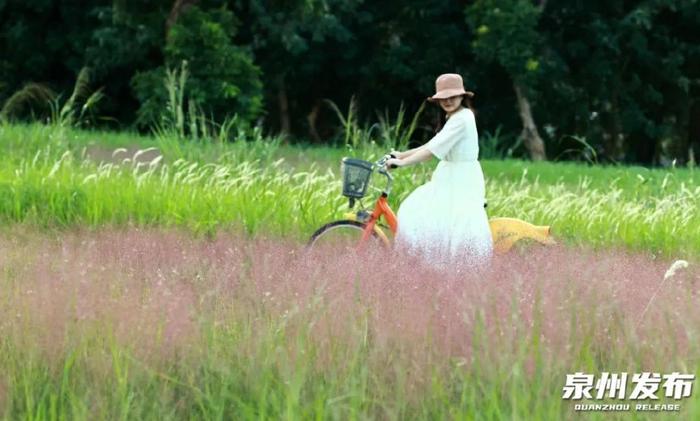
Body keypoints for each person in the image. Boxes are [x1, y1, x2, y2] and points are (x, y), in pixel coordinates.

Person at [384, 73, 493, 271]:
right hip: (450, 176)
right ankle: (434, 270)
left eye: (452, 96)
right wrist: (401, 155)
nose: (448, 101)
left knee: (449, 223)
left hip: (461, 179)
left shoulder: (463, 118)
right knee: (429, 216)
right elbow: (432, 144)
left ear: (462, 97)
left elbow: (430, 152)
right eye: (443, 98)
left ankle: (453, 272)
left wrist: (402, 163)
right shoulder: (453, 117)